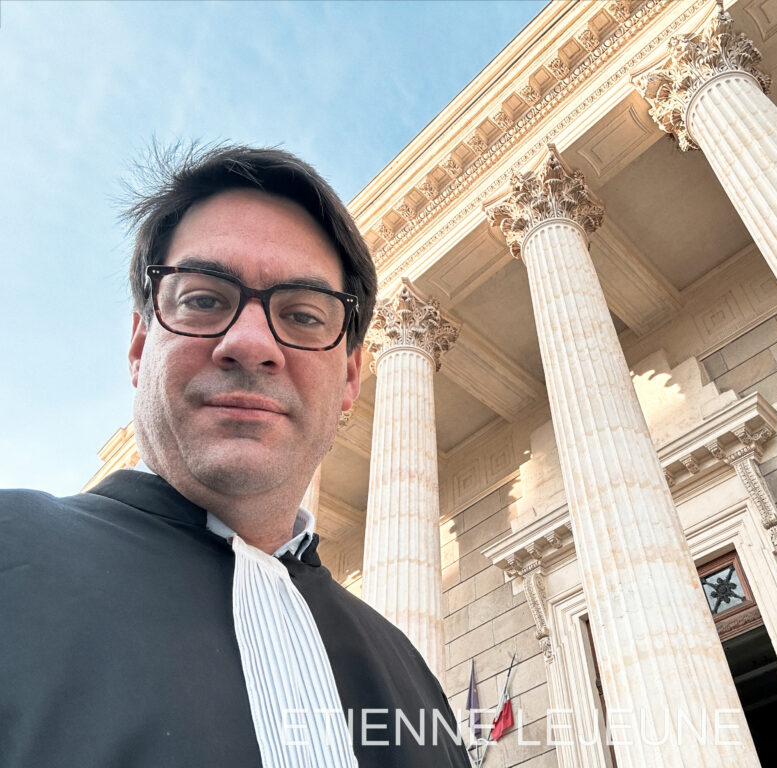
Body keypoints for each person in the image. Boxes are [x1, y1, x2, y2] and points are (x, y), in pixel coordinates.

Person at [0, 145, 472, 768]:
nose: (250, 343)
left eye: (302, 315)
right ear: (140, 346)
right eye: (204, 300)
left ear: (351, 377)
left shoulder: (413, 678)